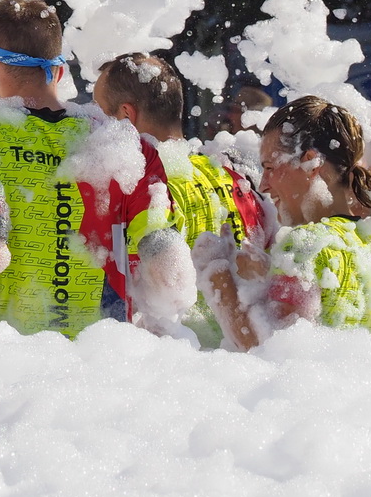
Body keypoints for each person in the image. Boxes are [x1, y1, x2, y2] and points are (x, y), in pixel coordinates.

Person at [0, 0, 194, 338]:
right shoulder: (122, 142)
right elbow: (168, 273)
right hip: (103, 355)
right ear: (59, 71)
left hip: (1, 358)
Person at [197, 96, 371, 349]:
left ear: (310, 162)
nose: (263, 184)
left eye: (271, 167)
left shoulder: (306, 245)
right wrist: (268, 273)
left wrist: (217, 272)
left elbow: (268, 351)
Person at [94, 52, 269, 347]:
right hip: (241, 362)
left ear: (126, 116)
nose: (93, 127)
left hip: (174, 371)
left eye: (100, 115)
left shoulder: (136, 191)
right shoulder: (236, 178)